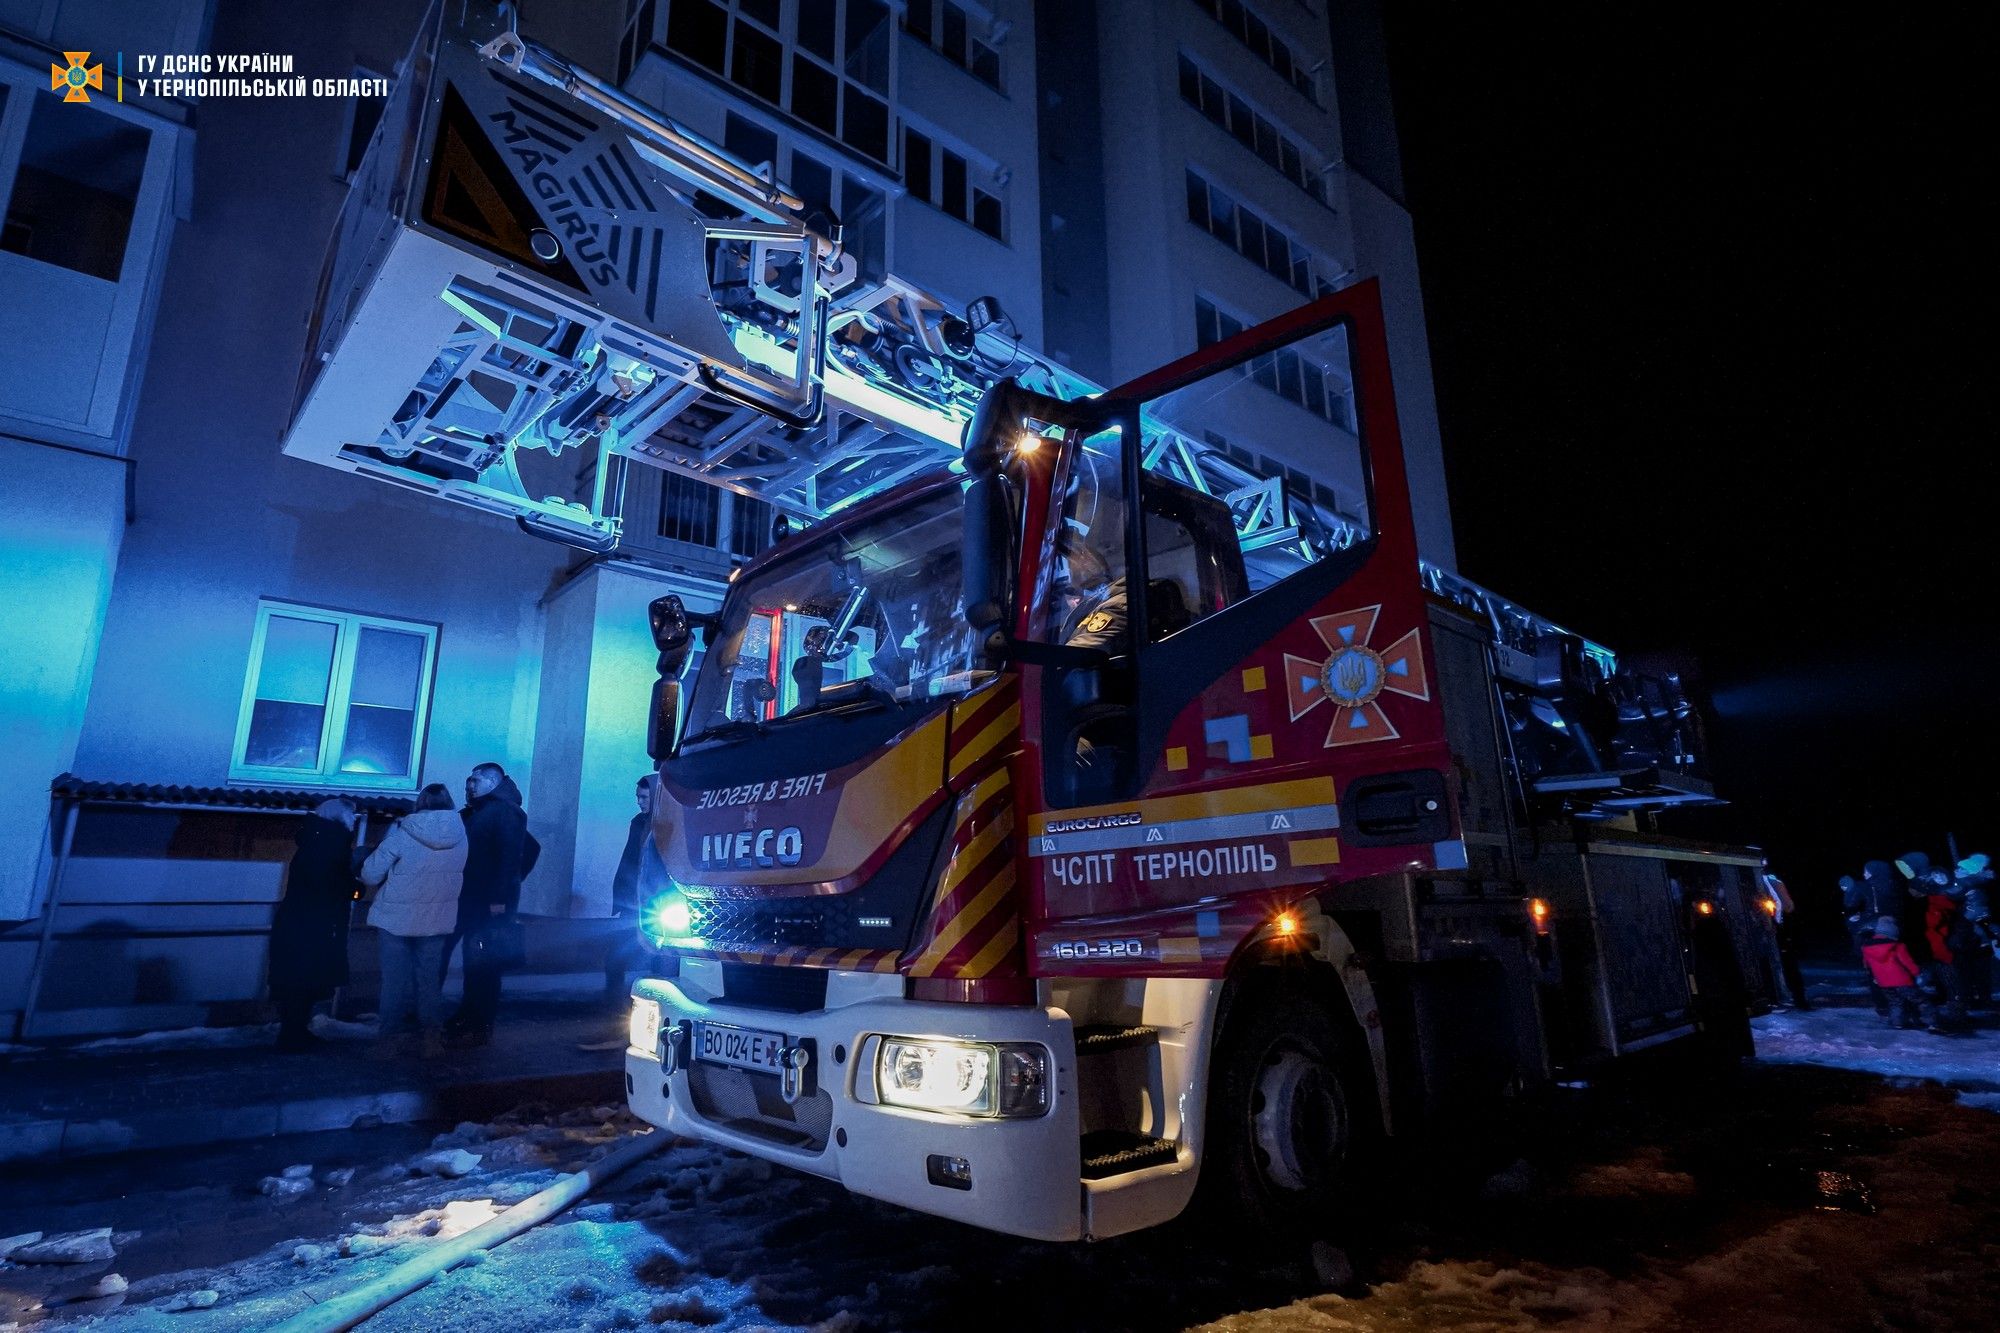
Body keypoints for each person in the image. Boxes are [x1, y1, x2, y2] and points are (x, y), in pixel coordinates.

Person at [359, 783, 466, 1055]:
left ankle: (388, 1042)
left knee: (394, 982)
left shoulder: (404, 832)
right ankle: (431, 1040)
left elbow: (370, 874)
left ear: (421, 803)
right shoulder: (461, 835)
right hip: (436, 921)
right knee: (429, 981)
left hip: (396, 919)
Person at [444, 762, 540, 1048]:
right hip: (472, 899)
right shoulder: (482, 811)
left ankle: (479, 1024)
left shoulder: (504, 811)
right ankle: (468, 1017)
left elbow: (512, 856)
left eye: (475, 780)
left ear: (492, 781)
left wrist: (500, 898)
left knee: (483, 963)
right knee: (475, 961)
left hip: (487, 904)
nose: (469, 785)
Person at [268, 798, 360, 1052]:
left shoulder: (313, 839)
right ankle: (294, 1035)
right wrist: (356, 889)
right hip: (315, 924)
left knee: (296, 980)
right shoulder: (332, 843)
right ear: (340, 817)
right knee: (305, 980)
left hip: (298, 921)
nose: (354, 820)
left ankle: (293, 1031)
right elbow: (336, 884)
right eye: (351, 815)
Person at [604, 774, 660, 1005]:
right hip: (634, 898)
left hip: (657, 899)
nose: (639, 801)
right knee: (618, 949)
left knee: (660, 952)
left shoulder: (667, 821)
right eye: (638, 797)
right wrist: (623, 893)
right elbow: (630, 858)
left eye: (644, 797)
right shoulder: (638, 822)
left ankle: (657, 996)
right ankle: (613, 996)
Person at [1861, 916, 1941, 1032]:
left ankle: (1898, 1023)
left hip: (1884, 983)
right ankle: (1933, 1022)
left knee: (1895, 1002)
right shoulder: (1897, 946)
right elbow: (1908, 962)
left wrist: (1875, 977)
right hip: (1903, 981)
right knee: (1921, 1000)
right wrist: (1917, 974)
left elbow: (1867, 965)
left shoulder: (1866, 947)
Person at [1840, 873, 1892, 1016]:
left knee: (1878, 970)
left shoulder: (1862, 891)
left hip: (1873, 934)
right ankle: (1884, 1003)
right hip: (1868, 934)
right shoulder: (1860, 892)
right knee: (1874, 970)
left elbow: (1856, 909)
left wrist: (1859, 919)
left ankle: (1885, 1003)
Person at [1761, 868, 1812, 1009]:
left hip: (1776, 930)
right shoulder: (1773, 881)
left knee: (1781, 964)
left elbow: (1788, 906)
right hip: (1779, 930)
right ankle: (1796, 997)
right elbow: (1789, 906)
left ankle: (1783, 997)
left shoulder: (1769, 882)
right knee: (1787, 964)